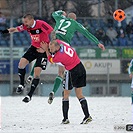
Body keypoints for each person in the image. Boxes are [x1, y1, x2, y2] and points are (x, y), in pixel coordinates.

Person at [27, 10, 105, 104]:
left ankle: (31, 75)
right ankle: (53, 91)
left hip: (54, 42)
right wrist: (98, 43)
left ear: (67, 16)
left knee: (43, 54)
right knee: (61, 72)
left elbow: (53, 14)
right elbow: (87, 33)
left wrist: (61, 12)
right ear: (75, 19)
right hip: (63, 46)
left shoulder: (61, 18)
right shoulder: (75, 24)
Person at [1, 14, 53, 102]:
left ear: (31, 20)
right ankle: (21, 84)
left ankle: (29, 95)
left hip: (43, 50)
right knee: (21, 63)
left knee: (37, 73)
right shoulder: (26, 27)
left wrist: (48, 48)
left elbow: (52, 32)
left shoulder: (41, 24)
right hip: (34, 48)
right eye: (24, 22)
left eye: (26, 22)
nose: (25, 24)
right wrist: (5, 31)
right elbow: (15, 29)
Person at [42, 39, 92, 124]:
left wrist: (46, 50)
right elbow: (55, 42)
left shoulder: (59, 56)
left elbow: (51, 59)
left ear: (57, 47)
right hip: (80, 67)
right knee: (79, 94)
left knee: (65, 95)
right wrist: (50, 46)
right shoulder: (61, 43)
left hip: (72, 71)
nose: (50, 50)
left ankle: (65, 119)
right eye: (50, 49)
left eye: (51, 49)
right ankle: (87, 116)